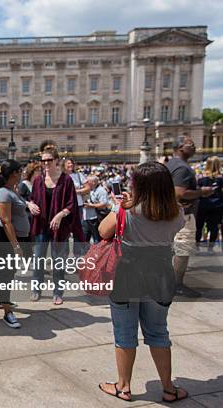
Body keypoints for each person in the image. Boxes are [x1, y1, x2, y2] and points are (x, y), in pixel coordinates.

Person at [97, 161, 187, 403]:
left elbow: (103, 231)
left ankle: (123, 386)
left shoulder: (126, 211)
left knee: (125, 333)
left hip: (128, 274)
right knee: (158, 332)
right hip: (160, 273)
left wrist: (119, 207)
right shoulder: (176, 212)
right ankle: (168, 388)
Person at [28, 146, 84, 305]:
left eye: (49, 160)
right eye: (43, 160)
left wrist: (60, 214)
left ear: (57, 161)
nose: (45, 163)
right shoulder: (38, 180)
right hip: (41, 225)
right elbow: (32, 198)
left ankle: (58, 292)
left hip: (59, 228)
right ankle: (36, 289)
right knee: (38, 259)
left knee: (58, 260)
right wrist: (30, 205)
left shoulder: (66, 180)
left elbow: (72, 204)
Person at [165, 136, 214, 297]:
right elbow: (179, 193)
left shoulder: (170, 164)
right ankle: (176, 284)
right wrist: (202, 192)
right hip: (183, 216)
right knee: (182, 248)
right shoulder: (183, 168)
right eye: (190, 144)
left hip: (171, 213)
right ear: (180, 147)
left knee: (174, 248)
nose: (194, 147)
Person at [0, 159, 30, 328]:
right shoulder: (4, 193)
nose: (22, 173)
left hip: (10, 239)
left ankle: (2, 301)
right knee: (6, 275)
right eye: (20, 171)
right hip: (4, 240)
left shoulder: (12, 190)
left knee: (6, 275)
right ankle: (7, 313)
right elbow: (6, 222)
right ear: (13, 173)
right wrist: (16, 246)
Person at [195, 156, 223, 251]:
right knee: (214, 228)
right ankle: (210, 248)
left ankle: (197, 246)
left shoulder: (201, 178)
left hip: (202, 205)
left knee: (199, 226)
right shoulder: (220, 179)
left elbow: (197, 192)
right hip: (217, 206)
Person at [82, 175, 109, 244]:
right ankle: (85, 253)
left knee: (97, 238)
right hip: (86, 217)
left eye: (88, 181)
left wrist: (92, 206)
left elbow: (104, 204)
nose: (86, 182)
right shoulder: (88, 189)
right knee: (84, 238)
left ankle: (98, 253)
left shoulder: (101, 191)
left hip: (95, 218)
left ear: (93, 182)